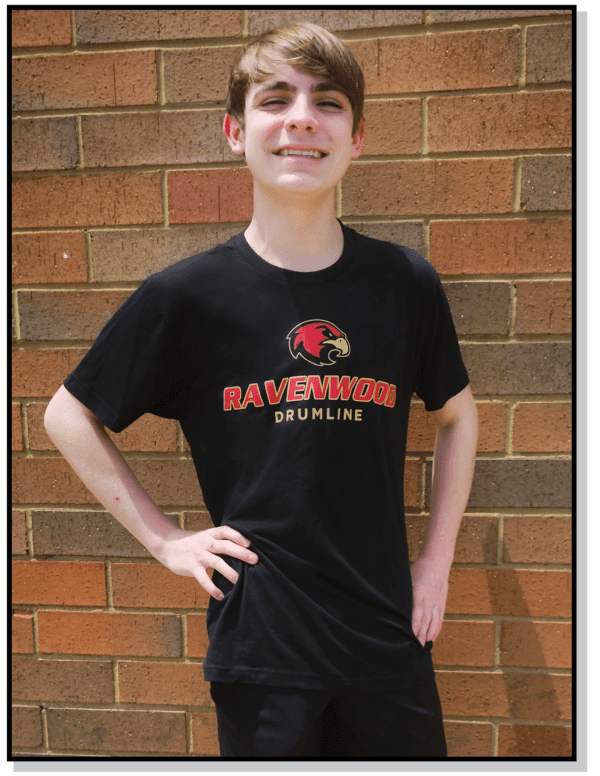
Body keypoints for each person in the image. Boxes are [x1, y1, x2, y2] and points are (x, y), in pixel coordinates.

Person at [44, 22, 478, 758]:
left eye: (329, 102)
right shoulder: (188, 297)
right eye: (276, 100)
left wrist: (435, 564)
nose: (303, 117)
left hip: (386, 636)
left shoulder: (404, 285)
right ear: (234, 133)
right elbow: (68, 413)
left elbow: (458, 418)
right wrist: (165, 540)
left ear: (358, 137)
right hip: (262, 647)